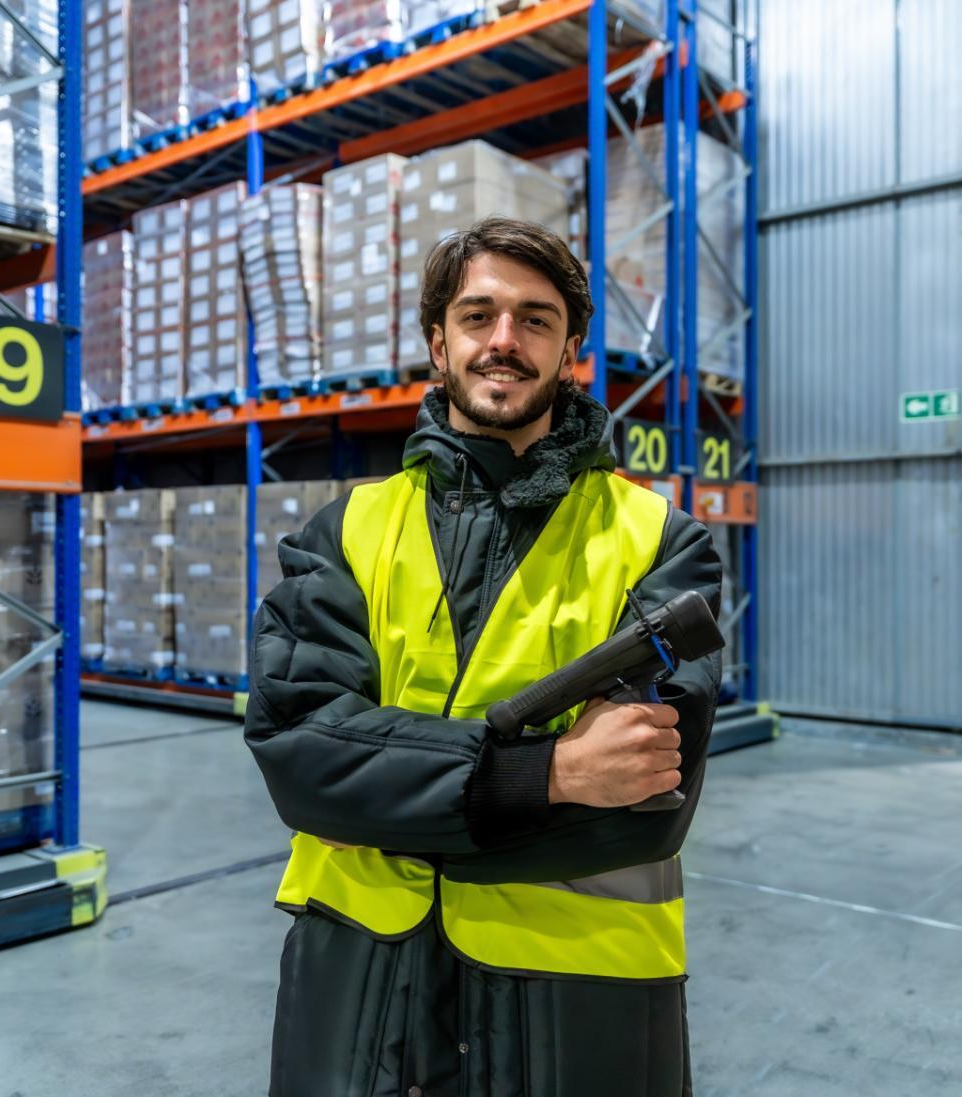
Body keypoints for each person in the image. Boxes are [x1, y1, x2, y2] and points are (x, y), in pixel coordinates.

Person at [245, 217, 721, 1097]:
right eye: (479, 315)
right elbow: (298, 752)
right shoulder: (342, 533)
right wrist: (548, 774)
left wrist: (391, 797)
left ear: (571, 347)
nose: (505, 341)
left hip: (575, 1007)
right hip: (360, 994)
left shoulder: (661, 543)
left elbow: (647, 796)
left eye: (535, 319)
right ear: (439, 342)